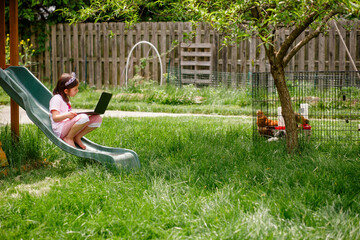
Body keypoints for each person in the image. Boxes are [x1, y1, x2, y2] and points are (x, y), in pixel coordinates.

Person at [49, 73, 102, 149]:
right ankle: (68, 138)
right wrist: (67, 115)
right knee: (84, 117)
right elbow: (55, 117)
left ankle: (77, 137)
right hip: (60, 129)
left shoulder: (66, 101)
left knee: (97, 118)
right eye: (75, 89)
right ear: (66, 91)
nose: (77, 91)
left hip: (68, 125)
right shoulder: (56, 99)